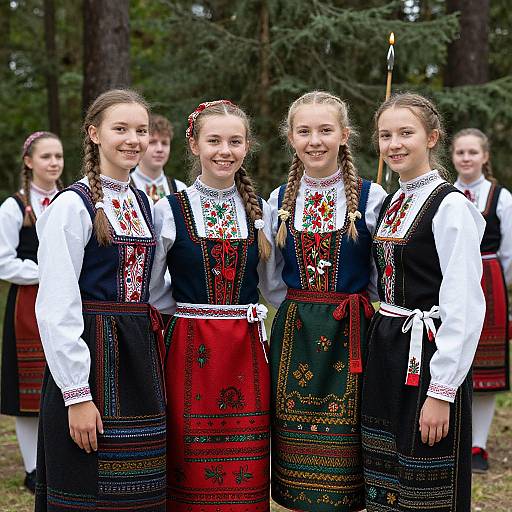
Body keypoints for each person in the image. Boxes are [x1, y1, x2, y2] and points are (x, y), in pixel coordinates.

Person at [34, 89, 166, 511]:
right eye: (120, 129)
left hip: (136, 358)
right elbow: (57, 304)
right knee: (87, 486)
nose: (133, 139)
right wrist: (77, 394)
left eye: (141, 130)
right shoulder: (72, 205)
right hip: (91, 358)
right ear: (94, 134)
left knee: (138, 490)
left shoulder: (141, 201)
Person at [361, 93, 485, 512]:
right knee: (386, 475)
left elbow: (464, 305)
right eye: (385, 135)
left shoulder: (450, 206)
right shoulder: (394, 201)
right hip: (388, 347)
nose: (394, 143)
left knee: (426, 478)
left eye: (405, 133)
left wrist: (442, 391)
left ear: (431, 137)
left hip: (429, 355)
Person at [149, 100, 275, 511]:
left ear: (247, 146)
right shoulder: (167, 210)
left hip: (246, 349)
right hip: (191, 348)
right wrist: (193, 314)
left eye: (235, 141)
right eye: (214, 140)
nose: (225, 150)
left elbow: (273, 285)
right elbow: (153, 290)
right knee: (189, 454)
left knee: (247, 461)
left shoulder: (262, 213)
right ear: (194, 144)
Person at [268, 90, 386, 512]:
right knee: (296, 446)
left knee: (348, 444)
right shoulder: (277, 200)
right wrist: (303, 307)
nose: (314, 140)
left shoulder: (371, 198)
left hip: (352, 331)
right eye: (304, 131)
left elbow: (378, 275)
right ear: (291, 138)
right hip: (297, 330)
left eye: (325, 130)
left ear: (344, 135)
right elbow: (270, 278)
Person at [0, 131, 63, 493]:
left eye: (58, 156)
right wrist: (46, 271)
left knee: (63, 379)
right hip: (27, 303)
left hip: (66, 300)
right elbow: (3, 261)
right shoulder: (15, 205)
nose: (54, 163)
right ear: (29, 162)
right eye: (46, 157)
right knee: (28, 389)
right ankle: (32, 468)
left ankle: (57, 459)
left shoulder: (70, 200)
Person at [452, 128, 512, 473]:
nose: (466, 158)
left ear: (484, 157)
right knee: (452, 356)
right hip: (449, 282)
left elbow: (509, 252)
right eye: (460, 152)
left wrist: (498, 285)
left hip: (489, 281)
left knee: (486, 367)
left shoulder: (499, 197)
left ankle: (478, 445)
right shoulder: (447, 195)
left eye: (473, 152)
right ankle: (456, 438)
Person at [131, 113, 186, 202]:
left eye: (164, 143)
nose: (160, 149)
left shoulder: (180, 189)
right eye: (152, 142)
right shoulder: (125, 188)